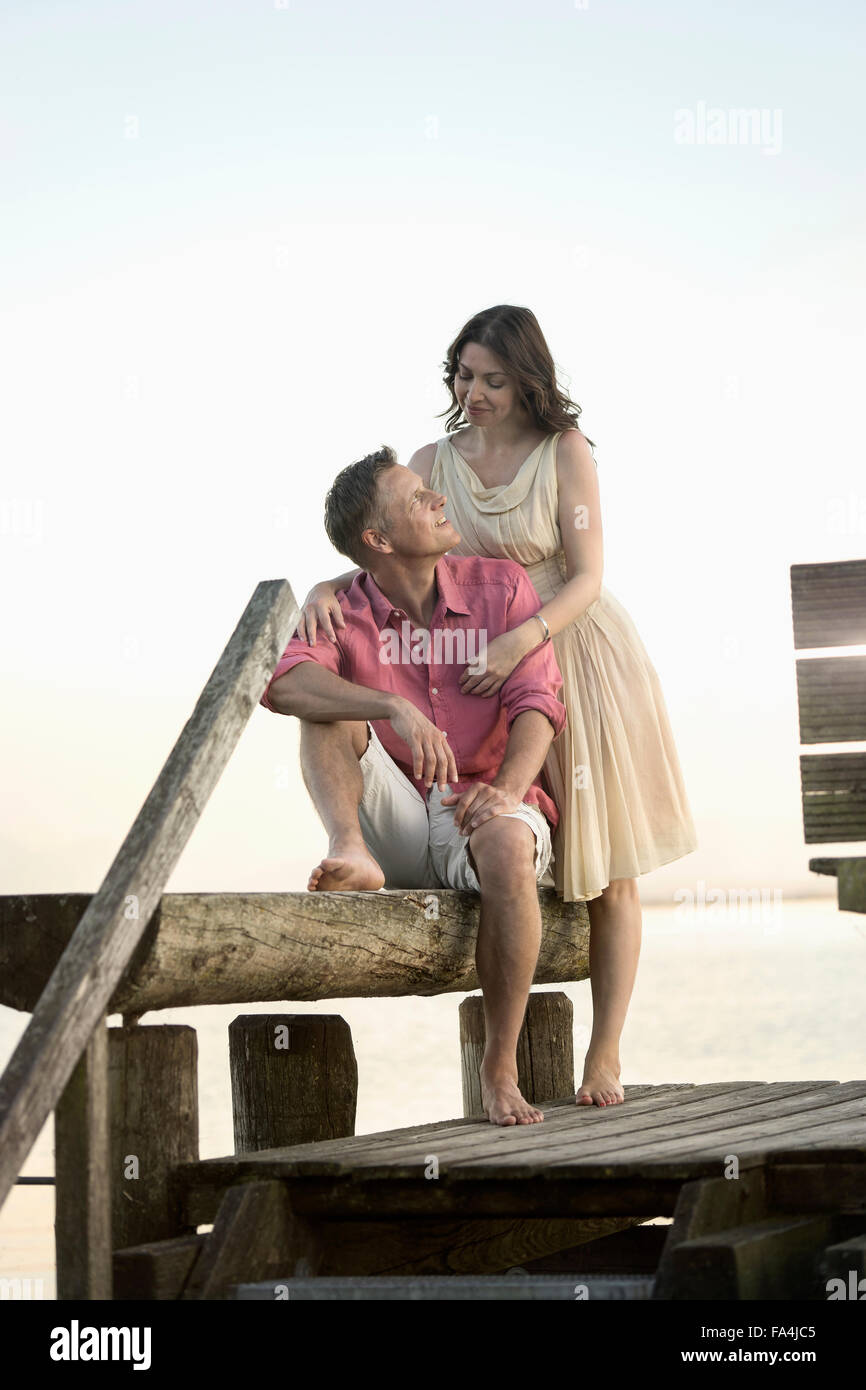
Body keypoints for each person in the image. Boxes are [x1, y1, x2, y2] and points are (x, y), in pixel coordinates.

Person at [297, 305, 699, 1110]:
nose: (471, 392)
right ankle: (507, 1018)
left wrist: (521, 643)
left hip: (569, 643)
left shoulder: (566, 452)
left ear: (527, 382)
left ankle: (605, 1055)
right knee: (509, 827)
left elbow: (586, 574)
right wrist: (321, 585)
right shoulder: (429, 460)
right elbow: (385, 548)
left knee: (606, 866)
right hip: (482, 652)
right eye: (462, 374)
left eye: (491, 379)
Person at [260, 444, 568, 1127]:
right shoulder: (341, 610)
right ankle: (351, 851)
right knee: (324, 710)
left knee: (509, 848)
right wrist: (391, 706)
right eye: (415, 499)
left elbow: (537, 702)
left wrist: (510, 789)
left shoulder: (502, 587)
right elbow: (282, 684)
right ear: (378, 539)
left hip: (485, 803)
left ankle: (498, 1067)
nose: (436, 501)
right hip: (397, 817)